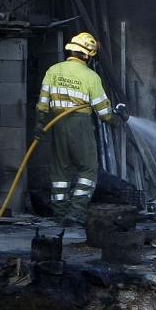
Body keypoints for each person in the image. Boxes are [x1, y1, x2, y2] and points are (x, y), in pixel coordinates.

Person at [34, 32, 119, 223]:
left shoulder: (53, 70)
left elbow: (42, 103)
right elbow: (103, 111)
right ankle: (76, 211)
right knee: (88, 169)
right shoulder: (91, 76)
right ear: (88, 55)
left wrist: (39, 124)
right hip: (79, 124)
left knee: (60, 171)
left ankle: (60, 212)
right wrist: (116, 120)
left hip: (56, 123)